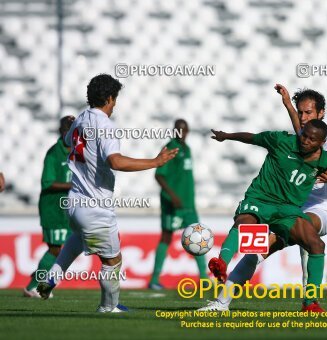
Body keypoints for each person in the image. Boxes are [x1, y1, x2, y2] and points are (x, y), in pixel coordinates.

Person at [199, 84, 327, 311]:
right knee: (255, 252)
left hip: (320, 209)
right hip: (288, 208)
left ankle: (311, 302)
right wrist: (288, 104)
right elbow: (295, 128)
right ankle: (221, 303)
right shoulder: (301, 138)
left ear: (321, 113)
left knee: (308, 238)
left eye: (308, 112)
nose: (303, 117)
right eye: (300, 112)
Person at [37, 74, 178, 312]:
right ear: (110, 98)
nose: (115, 105)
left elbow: (68, 141)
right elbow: (115, 161)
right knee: (112, 260)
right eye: (115, 100)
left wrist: (74, 126)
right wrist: (155, 162)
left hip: (74, 203)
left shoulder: (81, 119)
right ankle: (108, 307)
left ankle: (51, 278)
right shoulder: (105, 125)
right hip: (95, 206)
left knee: (77, 239)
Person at [207, 119, 327, 311]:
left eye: (311, 139)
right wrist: (227, 136)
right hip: (260, 200)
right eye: (304, 135)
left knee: (316, 245)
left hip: (287, 210)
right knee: (245, 223)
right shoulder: (281, 140)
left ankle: (310, 302)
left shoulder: (324, 159)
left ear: (321, 143)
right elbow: (252, 138)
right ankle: (221, 264)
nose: (305, 140)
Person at [149, 119, 207, 289]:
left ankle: (204, 279)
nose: (182, 133)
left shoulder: (187, 148)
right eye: (179, 130)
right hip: (172, 203)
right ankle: (154, 280)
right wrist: (172, 195)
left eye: (185, 130)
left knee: (198, 237)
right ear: (174, 131)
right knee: (166, 237)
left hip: (189, 204)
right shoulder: (170, 148)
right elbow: (159, 175)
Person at [23, 116, 74, 298]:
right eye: (69, 130)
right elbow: (47, 183)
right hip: (53, 208)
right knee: (55, 248)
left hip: (69, 209)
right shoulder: (54, 153)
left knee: (64, 248)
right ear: (62, 132)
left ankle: (38, 283)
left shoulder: (78, 150)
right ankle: (33, 285)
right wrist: (73, 186)